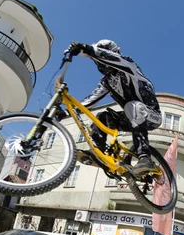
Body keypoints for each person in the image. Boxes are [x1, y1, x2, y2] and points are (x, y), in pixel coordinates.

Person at [66, 40, 162, 174]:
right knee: (101, 117)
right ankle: (99, 153)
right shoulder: (107, 81)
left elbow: (113, 58)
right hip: (131, 117)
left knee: (132, 106)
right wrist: (66, 112)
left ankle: (145, 157)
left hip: (151, 116)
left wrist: (87, 49)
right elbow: (90, 100)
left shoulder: (128, 64)